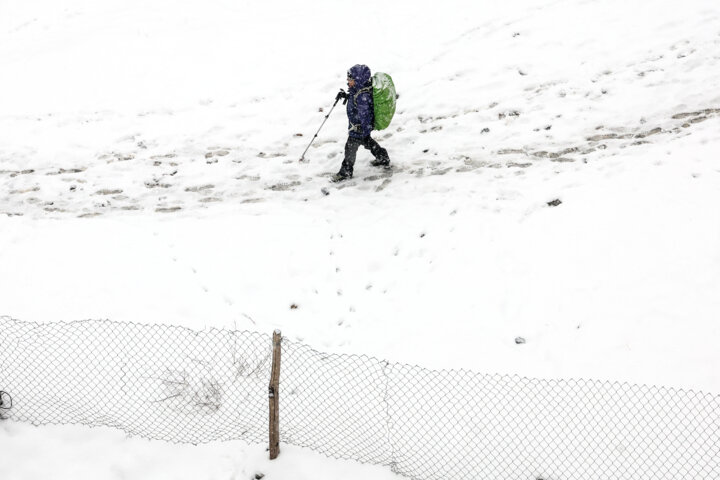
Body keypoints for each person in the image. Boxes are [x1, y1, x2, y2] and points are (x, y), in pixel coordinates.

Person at [332, 64, 390, 182]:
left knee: (350, 149)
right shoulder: (358, 90)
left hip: (358, 129)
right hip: (360, 129)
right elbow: (355, 98)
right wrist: (346, 96)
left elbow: (365, 114)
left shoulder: (362, 95)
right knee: (368, 142)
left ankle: (346, 172)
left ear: (358, 80)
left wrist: (362, 128)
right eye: (348, 79)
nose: (348, 82)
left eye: (350, 80)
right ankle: (382, 156)